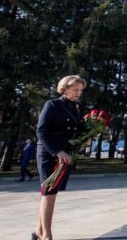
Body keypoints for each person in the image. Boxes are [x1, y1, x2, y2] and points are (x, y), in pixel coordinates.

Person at [34, 75, 86, 240]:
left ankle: (38, 232)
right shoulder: (53, 105)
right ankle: (47, 236)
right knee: (48, 193)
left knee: (51, 193)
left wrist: (86, 137)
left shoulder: (77, 107)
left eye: (80, 90)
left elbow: (76, 130)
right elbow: (41, 131)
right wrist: (58, 152)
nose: (78, 93)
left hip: (66, 154)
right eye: (75, 89)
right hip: (50, 154)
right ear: (65, 88)